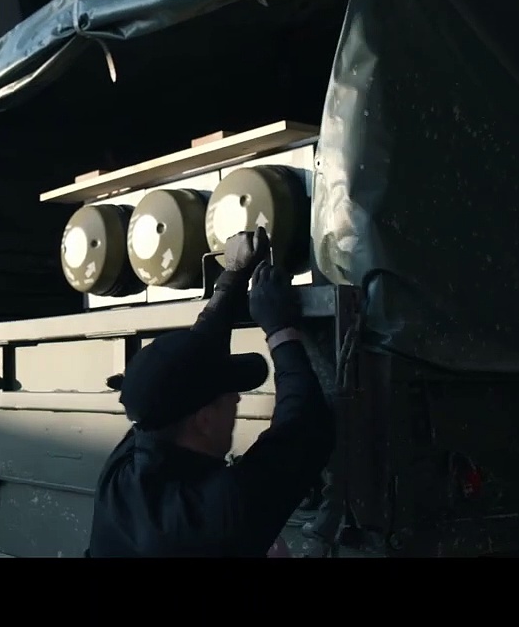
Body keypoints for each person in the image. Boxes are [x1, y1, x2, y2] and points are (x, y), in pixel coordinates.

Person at [86, 228, 335, 557]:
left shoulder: (123, 474)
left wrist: (232, 277)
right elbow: (304, 426)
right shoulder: (215, 514)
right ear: (203, 420)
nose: (238, 399)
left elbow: (184, 367)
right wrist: (280, 330)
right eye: (230, 394)